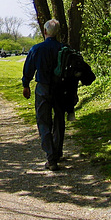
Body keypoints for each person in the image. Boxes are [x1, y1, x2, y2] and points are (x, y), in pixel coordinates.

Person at [21, 19, 65, 171]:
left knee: (43, 121)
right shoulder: (64, 49)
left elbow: (29, 69)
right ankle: (57, 152)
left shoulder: (37, 49)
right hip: (60, 89)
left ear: (45, 31)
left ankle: (51, 157)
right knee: (59, 120)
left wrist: (26, 85)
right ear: (57, 32)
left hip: (43, 88)